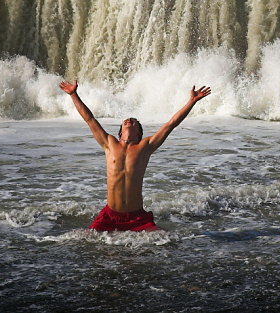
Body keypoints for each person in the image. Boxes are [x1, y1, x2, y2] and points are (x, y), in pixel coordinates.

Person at [59, 79, 211, 232]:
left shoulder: (145, 147)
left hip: (137, 218)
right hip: (110, 216)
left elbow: (170, 124)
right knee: (84, 240)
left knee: (167, 239)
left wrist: (192, 101)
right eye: (126, 121)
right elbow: (89, 119)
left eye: (134, 122)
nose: (130, 120)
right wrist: (73, 95)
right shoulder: (109, 143)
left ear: (139, 132)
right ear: (120, 132)